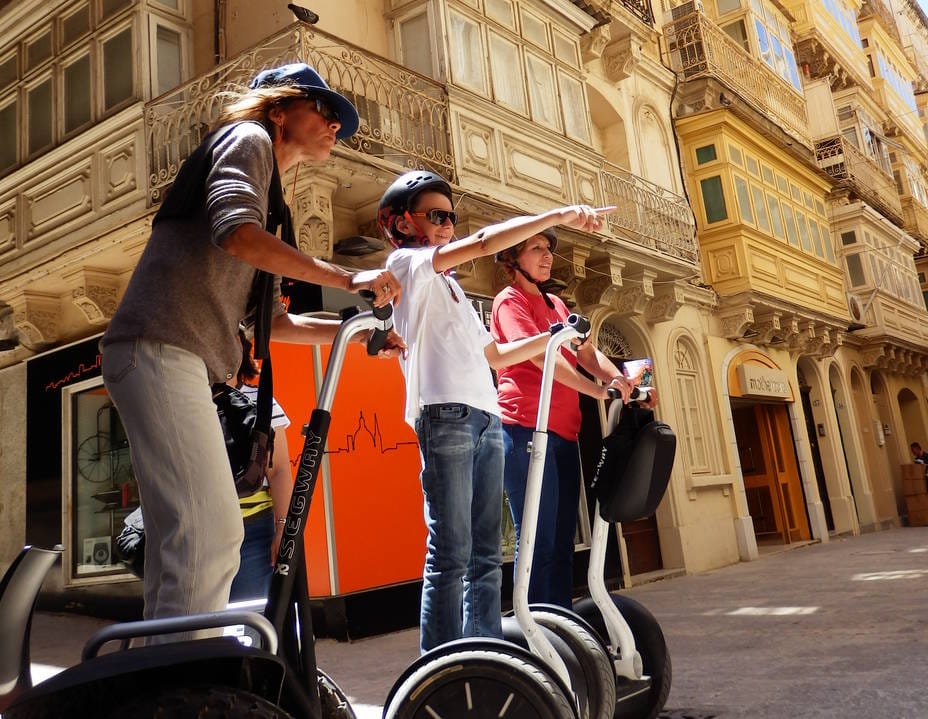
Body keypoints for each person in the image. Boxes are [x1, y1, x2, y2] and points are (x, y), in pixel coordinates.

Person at [100, 63, 405, 638]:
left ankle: (161, 681)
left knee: (184, 542)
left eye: (341, 120)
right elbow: (234, 230)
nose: (336, 126)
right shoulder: (249, 139)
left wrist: (362, 329)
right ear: (279, 108)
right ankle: (187, 683)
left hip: (170, 355)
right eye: (325, 109)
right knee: (211, 532)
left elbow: (275, 323)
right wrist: (346, 277)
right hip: (163, 347)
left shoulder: (274, 201)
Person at [376, 169, 612, 653]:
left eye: (451, 216)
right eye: (436, 215)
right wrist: (562, 215)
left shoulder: (455, 290)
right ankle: (439, 665)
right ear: (402, 224)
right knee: (451, 552)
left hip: (486, 418)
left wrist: (556, 337)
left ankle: (483, 657)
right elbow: (483, 243)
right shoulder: (406, 265)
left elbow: (496, 356)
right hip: (445, 414)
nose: (447, 224)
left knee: (486, 556)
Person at [491, 228, 657, 609]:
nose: (547, 255)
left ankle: (560, 622)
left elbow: (585, 354)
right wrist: (597, 391)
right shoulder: (509, 301)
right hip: (526, 430)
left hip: (564, 434)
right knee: (538, 537)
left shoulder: (557, 306)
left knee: (564, 538)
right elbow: (539, 357)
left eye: (549, 249)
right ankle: (533, 627)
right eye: (536, 249)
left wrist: (618, 379)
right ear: (512, 259)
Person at [227, 332, 294, 602]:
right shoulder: (189, 402)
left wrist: (282, 529)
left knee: (248, 619)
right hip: (199, 531)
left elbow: (278, 471)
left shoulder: (260, 403)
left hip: (253, 531)